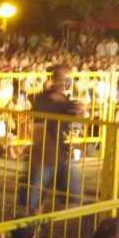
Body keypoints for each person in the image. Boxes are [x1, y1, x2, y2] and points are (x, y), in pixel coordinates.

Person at [25, 65, 85, 214]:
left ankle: (64, 206)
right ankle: (31, 214)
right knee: (36, 192)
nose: (65, 82)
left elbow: (73, 117)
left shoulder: (64, 100)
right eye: (63, 79)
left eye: (67, 79)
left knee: (71, 189)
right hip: (45, 152)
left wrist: (78, 111)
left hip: (60, 150)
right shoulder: (44, 99)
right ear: (55, 79)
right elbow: (38, 124)